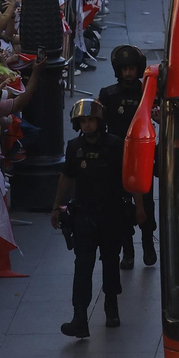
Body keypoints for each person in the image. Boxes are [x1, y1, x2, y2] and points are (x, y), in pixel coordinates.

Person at [51, 98, 129, 338]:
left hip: (111, 213)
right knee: (83, 266)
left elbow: (129, 174)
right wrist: (56, 207)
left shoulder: (116, 145)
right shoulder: (74, 147)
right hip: (84, 215)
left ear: (100, 121)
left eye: (91, 120)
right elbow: (66, 177)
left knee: (110, 262)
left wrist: (139, 207)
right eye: (83, 121)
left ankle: (111, 306)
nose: (87, 125)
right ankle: (79, 317)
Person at [96, 45, 156, 269]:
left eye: (132, 68)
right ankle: (128, 251)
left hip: (142, 156)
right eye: (124, 69)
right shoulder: (108, 94)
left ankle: (148, 245)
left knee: (146, 204)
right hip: (117, 157)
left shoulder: (147, 93)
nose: (128, 73)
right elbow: (99, 123)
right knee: (120, 207)